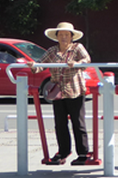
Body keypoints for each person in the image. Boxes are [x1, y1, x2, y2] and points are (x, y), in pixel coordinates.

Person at [27, 22, 91, 165]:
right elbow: (40, 65)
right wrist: (33, 66)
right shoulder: (52, 51)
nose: (63, 37)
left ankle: (83, 153)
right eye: (61, 35)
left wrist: (77, 63)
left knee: (78, 123)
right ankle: (63, 151)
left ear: (71, 37)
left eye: (66, 35)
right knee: (60, 123)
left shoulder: (77, 48)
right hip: (58, 91)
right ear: (56, 37)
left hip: (75, 90)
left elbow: (87, 60)